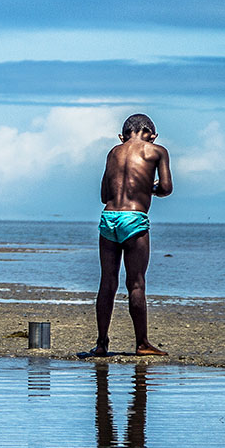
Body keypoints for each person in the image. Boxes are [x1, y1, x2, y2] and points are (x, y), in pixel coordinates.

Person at [88, 113, 173, 357]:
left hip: (109, 217)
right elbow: (166, 188)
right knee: (136, 283)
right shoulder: (157, 151)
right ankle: (142, 343)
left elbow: (105, 195)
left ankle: (102, 343)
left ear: (122, 136)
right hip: (134, 218)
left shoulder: (113, 152)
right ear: (152, 134)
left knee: (107, 282)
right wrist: (148, 188)